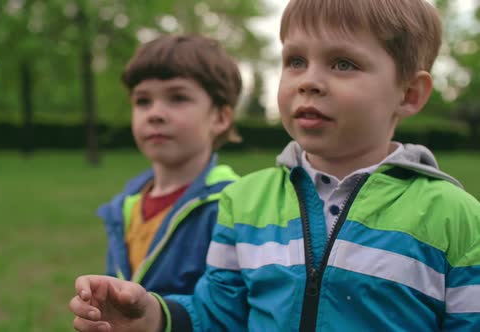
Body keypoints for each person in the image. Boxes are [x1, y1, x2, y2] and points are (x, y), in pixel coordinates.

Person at [70, 0, 480, 331]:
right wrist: (154, 317)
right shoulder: (245, 202)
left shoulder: (454, 216)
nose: (308, 81)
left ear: (409, 93)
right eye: (295, 61)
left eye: (343, 64)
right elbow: (218, 315)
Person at [96, 34, 242, 297]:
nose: (155, 113)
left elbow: (230, 309)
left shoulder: (232, 205)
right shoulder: (126, 206)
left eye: (177, 98)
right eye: (143, 101)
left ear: (220, 117)